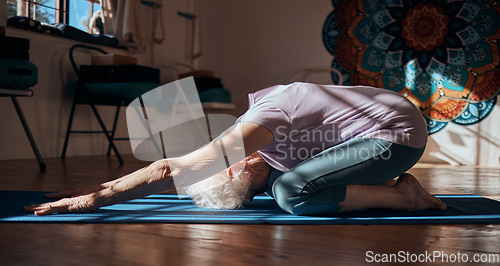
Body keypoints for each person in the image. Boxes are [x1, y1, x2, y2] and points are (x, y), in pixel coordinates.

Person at [25, 82, 447, 216]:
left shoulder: (257, 130)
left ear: (231, 167)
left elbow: (168, 171)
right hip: (380, 126)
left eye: (248, 183)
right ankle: (399, 191)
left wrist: (95, 197)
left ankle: (402, 196)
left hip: (396, 135)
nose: (253, 182)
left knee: (289, 192)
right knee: (282, 182)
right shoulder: (262, 149)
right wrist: (99, 184)